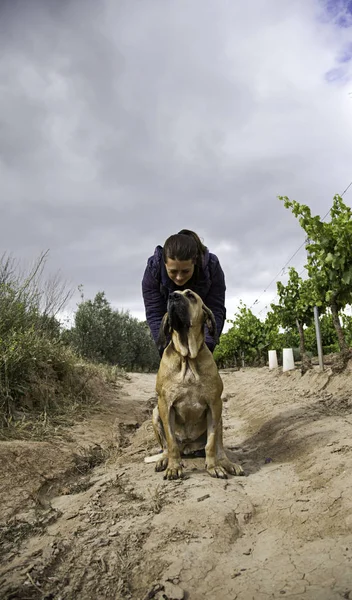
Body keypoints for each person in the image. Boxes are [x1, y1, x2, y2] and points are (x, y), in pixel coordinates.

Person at [142, 229, 226, 356]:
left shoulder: (211, 266)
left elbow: (215, 309)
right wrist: (165, 348)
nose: (179, 277)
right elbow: (155, 313)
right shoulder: (153, 269)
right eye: (173, 271)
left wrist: (208, 346)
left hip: (198, 329)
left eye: (185, 271)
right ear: (164, 264)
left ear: (195, 261)